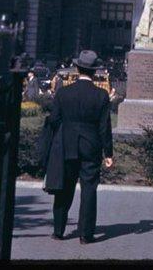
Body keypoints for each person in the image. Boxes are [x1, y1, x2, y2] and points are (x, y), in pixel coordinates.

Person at [44, 50, 113, 243]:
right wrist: (108, 153)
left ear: (77, 68)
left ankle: (58, 231)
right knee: (89, 189)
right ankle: (86, 234)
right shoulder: (101, 95)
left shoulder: (63, 92)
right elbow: (104, 127)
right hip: (91, 145)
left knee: (63, 187)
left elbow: (55, 119)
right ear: (95, 72)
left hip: (67, 144)